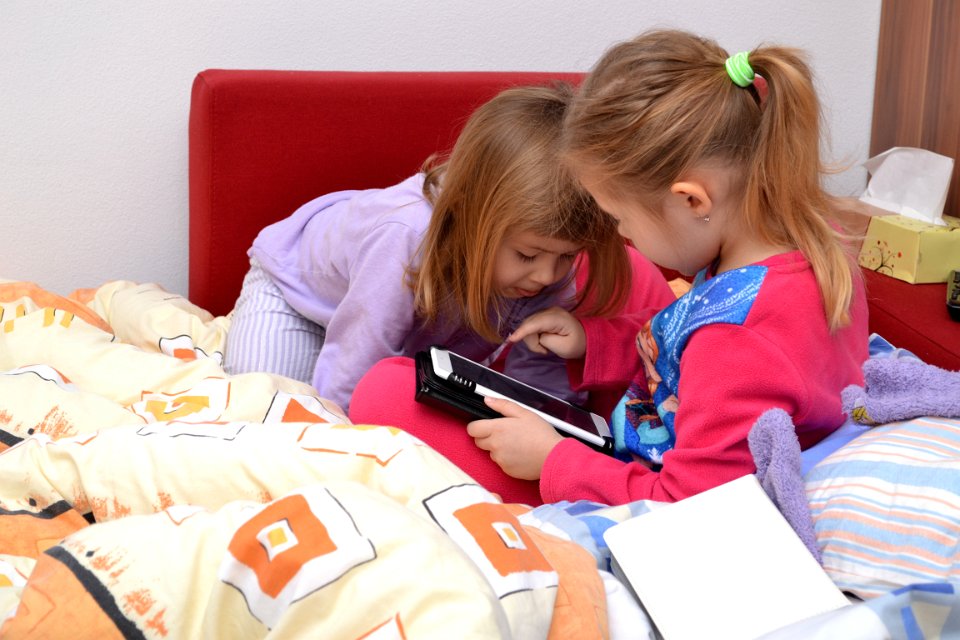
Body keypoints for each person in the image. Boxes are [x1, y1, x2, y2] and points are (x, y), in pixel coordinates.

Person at [359, 29, 870, 506]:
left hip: (628, 485)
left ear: (692, 200)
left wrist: (552, 460)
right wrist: (592, 342)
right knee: (410, 383)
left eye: (620, 219)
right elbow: (687, 358)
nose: (624, 237)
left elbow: (690, 504)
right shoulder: (804, 244)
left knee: (385, 393)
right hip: (635, 438)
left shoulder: (740, 342)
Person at [223, 83, 635, 413]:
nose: (547, 275)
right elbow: (359, 357)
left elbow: (540, 376)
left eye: (568, 256)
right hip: (297, 299)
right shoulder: (405, 234)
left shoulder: (546, 264)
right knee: (266, 410)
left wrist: (546, 432)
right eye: (527, 256)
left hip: (408, 333)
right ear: (475, 217)